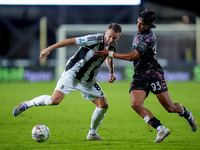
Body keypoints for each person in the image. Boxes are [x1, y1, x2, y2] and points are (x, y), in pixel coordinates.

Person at [94, 8, 197, 143]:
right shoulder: (138, 32)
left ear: (149, 25)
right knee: (135, 104)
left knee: (170, 108)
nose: (139, 25)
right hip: (139, 76)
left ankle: (187, 114)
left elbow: (132, 56)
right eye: (138, 22)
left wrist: (110, 54)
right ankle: (160, 128)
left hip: (154, 75)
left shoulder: (149, 38)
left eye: (142, 24)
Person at [13, 23, 122, 141]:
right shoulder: (93, 39)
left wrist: (111, 72)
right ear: (106, 32)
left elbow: (109, 58)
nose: (111, 40)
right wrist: (49, 48)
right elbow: (70, 41)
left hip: (88, 80)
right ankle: (27, 104)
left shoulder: (113, 46)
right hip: (72, 74)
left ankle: (92, 134)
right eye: (109, 36)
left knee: (103, 105)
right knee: (54, 100)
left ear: (118, 37)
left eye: (114, 38)